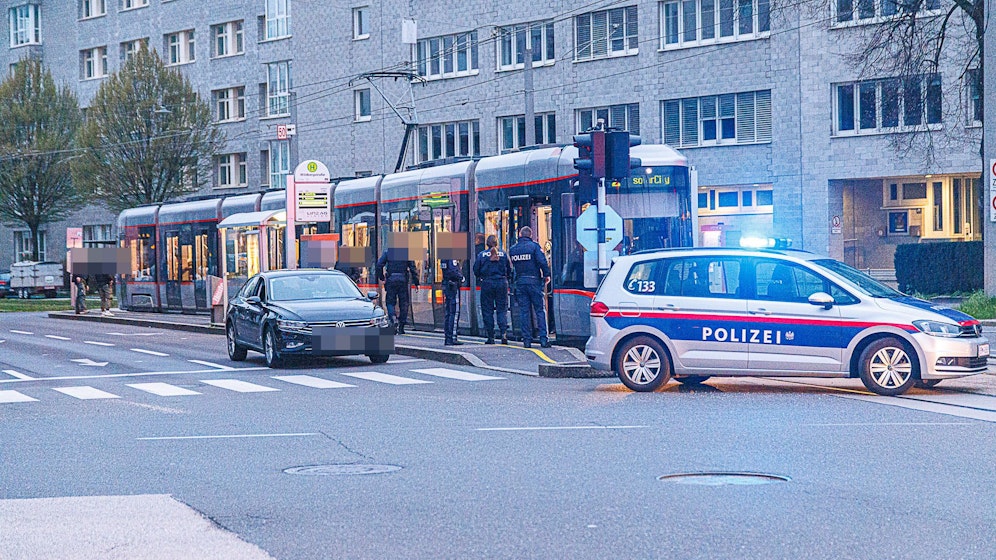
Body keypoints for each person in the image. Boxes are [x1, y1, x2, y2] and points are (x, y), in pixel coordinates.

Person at [508, 225, 552, 348]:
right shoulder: (534, 247)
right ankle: (543, 339)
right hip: (534, 282)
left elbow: (512, 267)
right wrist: (547, 275)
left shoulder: (513, 249)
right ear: (530, 235)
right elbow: (542, 262)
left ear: (520, 235)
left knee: (524, 312)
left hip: (520, 283)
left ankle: (526, 340)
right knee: (540, 311)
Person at [473, 234, 512, 345]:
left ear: (487, 244)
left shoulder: (482, 255)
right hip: (501, 283)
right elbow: (510, 269)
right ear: (497, 243)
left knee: (487, 310)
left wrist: (481, 277)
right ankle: (504, 333)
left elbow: (476, 270)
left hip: (487, 283)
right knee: (502, 309)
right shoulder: (504, 254)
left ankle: (491, 337)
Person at [376, 247, 418, 334]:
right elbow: (413, 268)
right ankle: (401, 326)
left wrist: (381, 277)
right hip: (403, 280)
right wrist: (416, 282)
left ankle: (393, 318)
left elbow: (379, 264)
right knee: (404, 303)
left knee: (390, 302)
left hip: (391, 280)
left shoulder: (388, 252)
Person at [441, 257, 465, 345]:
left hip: (447, 285)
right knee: (454, 312)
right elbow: (452, 271)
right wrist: (461, 277)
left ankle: (448, 337)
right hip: (452, 286)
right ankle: (452, 337)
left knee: (448, 313)